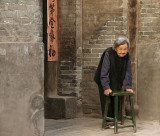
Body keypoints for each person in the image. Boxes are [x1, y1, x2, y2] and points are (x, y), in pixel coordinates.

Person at [94, 36, 133, 119]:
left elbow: (128, 71)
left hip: (116, 78)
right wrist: (106, 87)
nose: (123, 51)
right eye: (120, 49)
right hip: (103, 78)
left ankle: (116, 118)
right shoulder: (108, 53)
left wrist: (128, 86)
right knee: (107, 99)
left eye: (125, 49)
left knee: (117, 97)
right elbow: (104, 72)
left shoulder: (127, 56)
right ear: (115, 48)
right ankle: (109, 120)